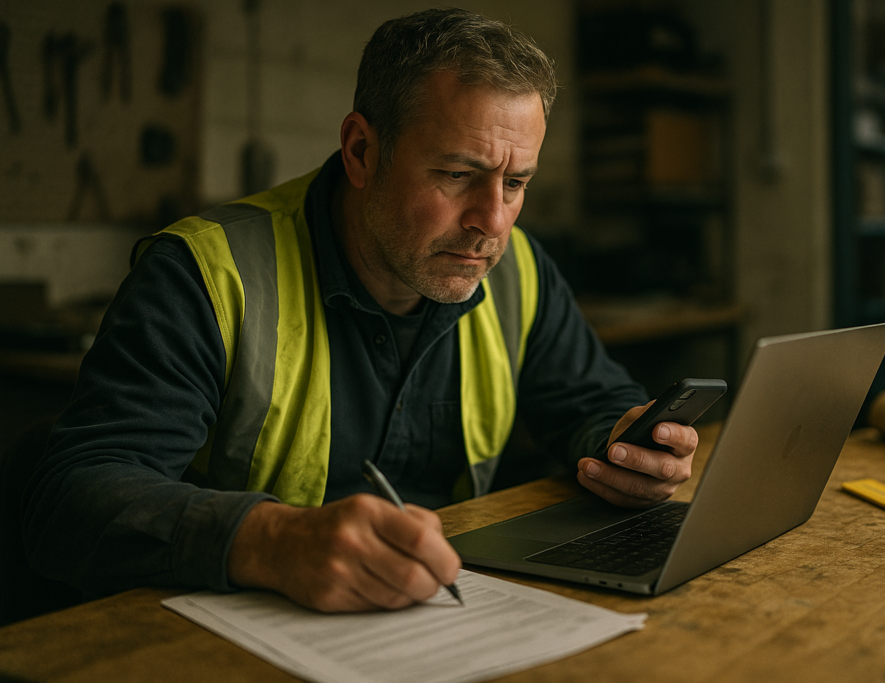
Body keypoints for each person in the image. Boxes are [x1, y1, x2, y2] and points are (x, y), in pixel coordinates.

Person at [22, 8, 697, 613]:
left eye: (516, 182)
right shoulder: (204, 274)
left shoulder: (517, 266)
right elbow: (72, 499)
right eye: (458, 174)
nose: (492, 220)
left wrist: (630, 442)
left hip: (450, 622)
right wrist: (270, 538)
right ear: (361, 151)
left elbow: (590, 400)